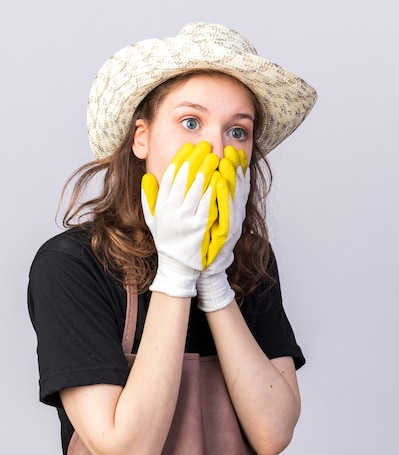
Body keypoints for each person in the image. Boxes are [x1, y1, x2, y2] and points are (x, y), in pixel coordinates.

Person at [27, 22, 316, 455]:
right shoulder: (71, 264)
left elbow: (272, 433)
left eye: (237, 131)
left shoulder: (251, 259)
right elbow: (126, 447)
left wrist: (215, 279)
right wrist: (178, 271)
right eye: (190, 122)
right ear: (141, 138)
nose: (216, 150)